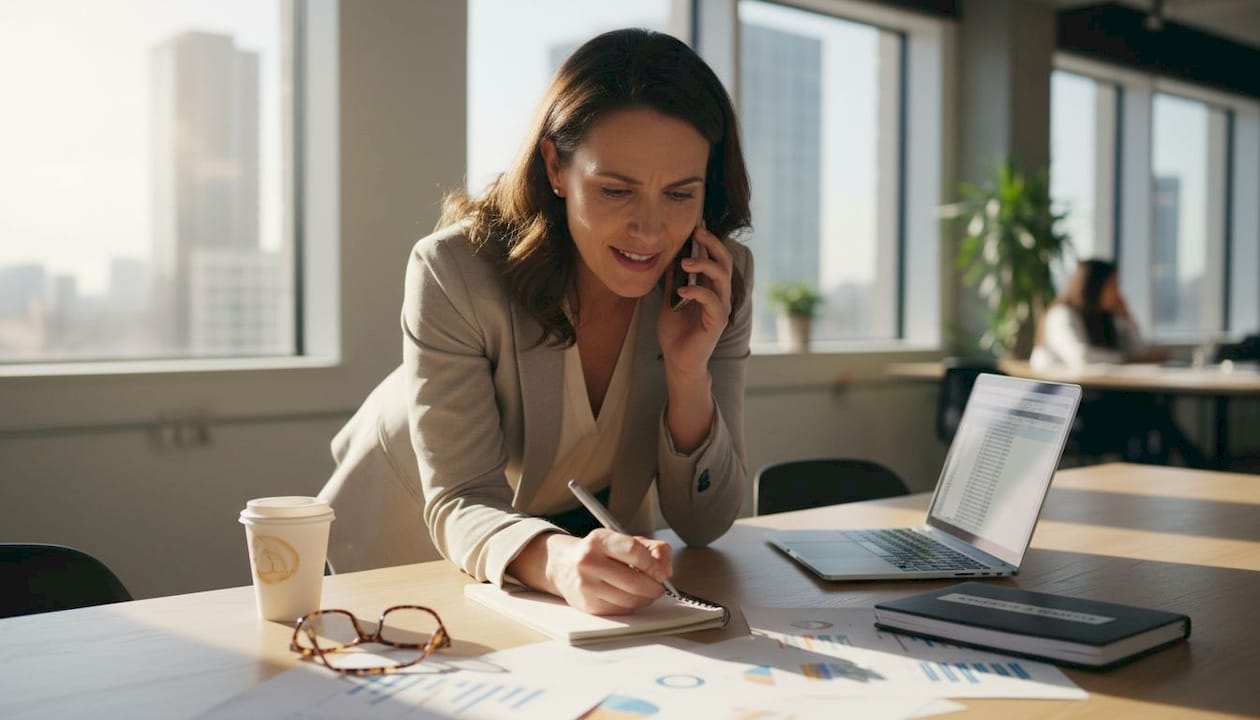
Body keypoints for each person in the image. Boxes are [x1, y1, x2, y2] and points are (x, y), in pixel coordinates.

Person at [327, 29, 753, 616]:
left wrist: (688, 375)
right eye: (616, 190)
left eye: (680, 194)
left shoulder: (714, 280)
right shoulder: (453, 270)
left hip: (578, 554)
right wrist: (558, 562)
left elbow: (705, 523)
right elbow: (461, 497)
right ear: (556, 166)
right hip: (409, 536)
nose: (650, 229)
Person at [1031, 259, 1205, 466]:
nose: (1117, 292)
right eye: (1112, 286)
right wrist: (1130, 360)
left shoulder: (1107, 318)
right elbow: (1082, 357)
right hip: (1074, 410)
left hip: (1103, 401)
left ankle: (1177, 465)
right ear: (1093, 287)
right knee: (1149, 411)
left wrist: (1127, 315)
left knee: (1150, 409)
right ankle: (1194, 463)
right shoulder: (1062, 315)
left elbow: (1139, 350)